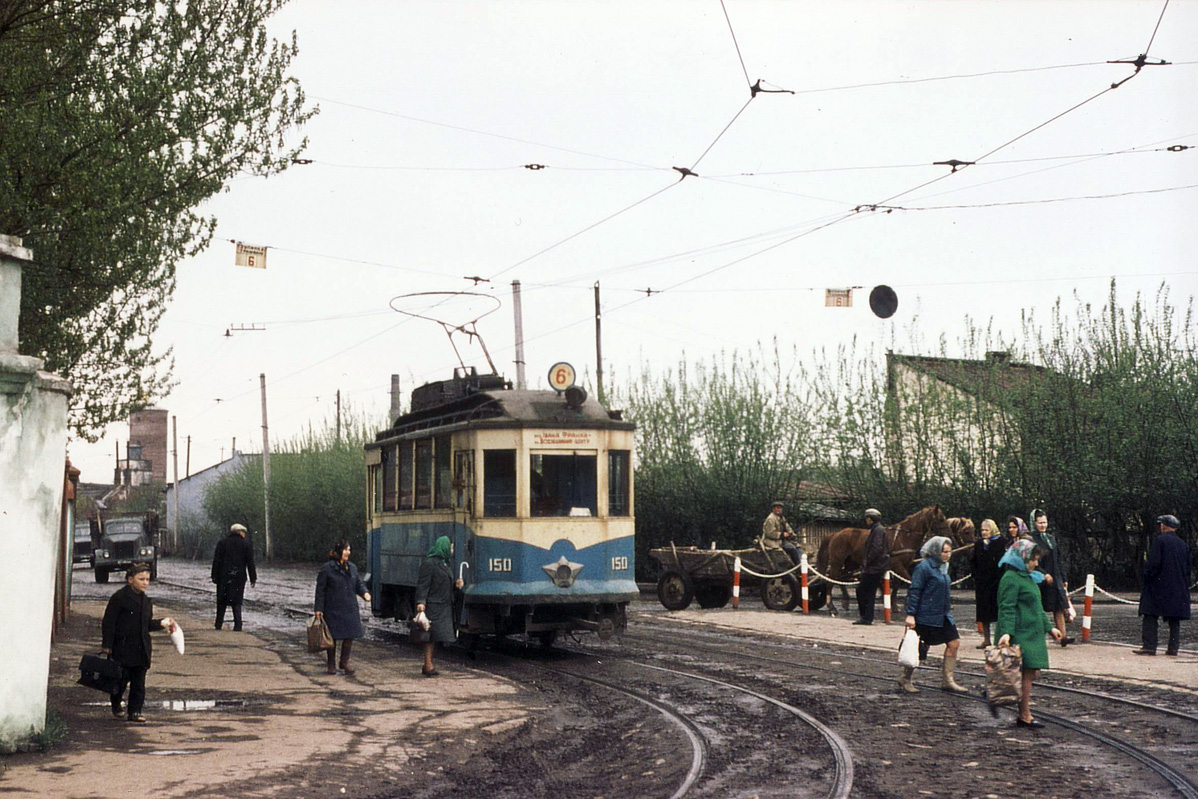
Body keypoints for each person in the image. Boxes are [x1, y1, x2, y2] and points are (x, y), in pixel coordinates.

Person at [995, 539, 1064, 728]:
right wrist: (1007, 633)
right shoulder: (1010, 578)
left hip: (1033, 633)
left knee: (1031, 672)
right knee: (1027, 672)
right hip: (1020, 633)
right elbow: (1006, 607)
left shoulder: (1029, 577)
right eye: (1033, 560)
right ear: (1021, 558)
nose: (1036, 564)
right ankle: (1024, 714)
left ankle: (1020, 708)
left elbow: (1037, 607)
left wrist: (1050, 628)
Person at [100, 562, 177, 723]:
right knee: (121, 680)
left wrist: (162, 624)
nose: (145, 583)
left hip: (141, 647)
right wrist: (107, 645)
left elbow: (146, 624)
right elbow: (109, 622)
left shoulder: (147, 601)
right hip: (122, 647)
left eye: (147, 579)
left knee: (139, 683)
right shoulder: (119, 598)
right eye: (141, 579)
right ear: (130, 579)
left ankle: (135, 711)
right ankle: (116, 703)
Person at [898, 536, 967, 693]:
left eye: (949, 552)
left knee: (954, 642)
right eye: (944, 552)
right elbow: (915, 590)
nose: (947, 555)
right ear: (935, 551)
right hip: (925, 615)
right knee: (919, 647)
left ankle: (948, 680)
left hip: (943, 614)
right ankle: (905, 678)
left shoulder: (944, 567)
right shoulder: (924, 567)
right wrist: (911, 614)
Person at [1134, 514, 1192, 656]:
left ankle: (1149, 645)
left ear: (1164, 525)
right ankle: (1173, 647)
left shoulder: (1159, 541)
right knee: (1174, 618)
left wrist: (1147, 576)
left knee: (1150, 613)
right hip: (1178, 585)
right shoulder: (1183, 545)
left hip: (1158, 585)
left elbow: (1154, 563)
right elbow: (1188, 567)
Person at [314, 541, 371, 675]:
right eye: (345, 550)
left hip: (349, 606)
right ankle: (331, 663)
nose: (348, 553)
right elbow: (320, 590)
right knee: (332, 636)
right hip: (333, 607)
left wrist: (364, 593)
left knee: (349, 635)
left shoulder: (352, 567)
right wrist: (318, 609)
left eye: (349, 550)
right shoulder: (327, 568)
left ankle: (344, 662)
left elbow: (358, 583)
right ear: (339, 551)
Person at [415, 535, 464, 677]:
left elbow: (445, 586)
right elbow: (423, 585)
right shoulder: (429, 564)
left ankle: (428, 664)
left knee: (434, 636)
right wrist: (421, 602)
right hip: (433, 605)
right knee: (429, 636)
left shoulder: (444, 564)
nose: (452, 550)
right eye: (451, 547)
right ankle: (428, 665)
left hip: (443, 606)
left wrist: (456, 586)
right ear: (443, 547)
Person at [1030, 509, 1074, 646]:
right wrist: (1043, 574)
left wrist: (1064, 578)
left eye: (1045, 522)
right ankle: (1040, 636)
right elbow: (1032, 560)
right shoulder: (1031, 539)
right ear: (1034, 523)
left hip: (1055, 577)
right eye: (1040, 523)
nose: (1043, 525)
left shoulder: (1051, 539)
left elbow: (1058, 559)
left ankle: (1063, 636)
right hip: (1040, 578)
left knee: (1059, 607)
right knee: (1039, 608)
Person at [211, 522, 257, 631]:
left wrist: (214, 575)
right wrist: (253, 578)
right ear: (239, 532)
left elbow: (216, 561)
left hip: (224, 576)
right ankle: (238, 625)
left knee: (221, 601)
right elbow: (250, 562)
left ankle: (218, 624)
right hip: (238, 577)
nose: (244, 534)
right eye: (243, 532)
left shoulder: (222, 543)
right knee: (237, 601)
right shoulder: (246, 544)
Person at [971, 518, 1007, 649]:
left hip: (996, 582)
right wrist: (976, 576)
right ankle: (986, 639)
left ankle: (1000, 638)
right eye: (982, 530)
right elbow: (973, 561)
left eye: (986, 530)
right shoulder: (979, 544)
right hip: (983, 583)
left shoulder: (1002, 542)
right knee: (983, 612)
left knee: (998, 611)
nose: (984, 532)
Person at [854, 508, 889, 625]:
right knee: (868, 592)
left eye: (867, 519)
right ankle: (866, 617)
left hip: (874, 567)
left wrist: (867, 562)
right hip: (875, 566)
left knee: (863, 591)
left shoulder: (878, 530)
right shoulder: (877, 529)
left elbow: (876, 548)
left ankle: (866, 617)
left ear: (870, 519)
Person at [761, 501, 802, 566]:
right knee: (792, 548)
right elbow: (770, 533)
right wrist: (782, 535)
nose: (778, 510)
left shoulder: (781, 518)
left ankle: (800, 564)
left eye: (780, 508)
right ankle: (798, 567)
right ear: (773, 509)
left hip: (780, 540)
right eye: (776, 508)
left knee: (798, 547)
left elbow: (787, 527)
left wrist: (792, 533)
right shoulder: (770, 519)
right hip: (771, 541)